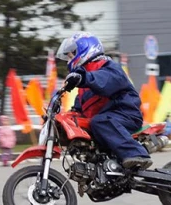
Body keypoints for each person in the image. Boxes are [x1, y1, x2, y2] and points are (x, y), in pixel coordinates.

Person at [56, 32, 152, 170]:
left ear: (85, 49)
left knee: (99, 121)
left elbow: (103, 80)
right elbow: (80, 107)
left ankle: (137, 154)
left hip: (125, 114)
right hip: (108, 118)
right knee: (79, 123)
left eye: (72, 54)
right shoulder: (84, 80)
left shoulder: (107, 67)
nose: (70, 59)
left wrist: (84, 78)